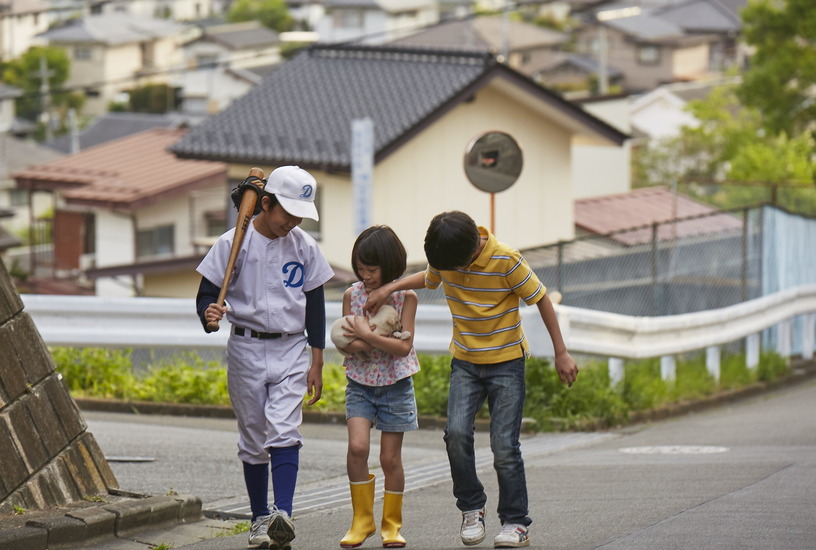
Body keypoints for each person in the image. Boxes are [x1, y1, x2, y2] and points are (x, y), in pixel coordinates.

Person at [364, 211, 578, 549]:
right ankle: (472, 508)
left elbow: (541, 299)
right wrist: (390, 287)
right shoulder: (449, 254)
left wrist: (561, 353)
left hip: (507, 363)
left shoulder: (507, 260)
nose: (453, 272)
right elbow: (428, 278)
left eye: (457, 266)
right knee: (456, 435)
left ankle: (515, 521)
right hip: (465, 362)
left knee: (504, 447)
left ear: (472, 251)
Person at [196, 166, 334, 550]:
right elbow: (207, 295)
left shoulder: (304, 245)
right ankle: (259, 518)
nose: (292, 222)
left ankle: (282, 515)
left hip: (292, 346)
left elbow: (316, 306)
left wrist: (317, 360)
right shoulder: (232, 242)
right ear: (266, 203)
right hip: (246, 346)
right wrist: (209, 316)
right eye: (287, 213)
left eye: (299, 215)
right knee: (254, 437)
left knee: (285, 428)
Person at [337, 225, 420, 549]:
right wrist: (372, 339)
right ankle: (362, 520)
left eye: (371, 269)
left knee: (390, 459)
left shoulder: (405, 297)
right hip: (360, 383)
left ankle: (391, 525)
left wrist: (367, 335)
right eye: (360, 268)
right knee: (357, 448)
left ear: (390, 263)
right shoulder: (351, 295)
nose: (365, 275)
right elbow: (345, 344)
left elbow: (403, 349)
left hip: (396, 385)